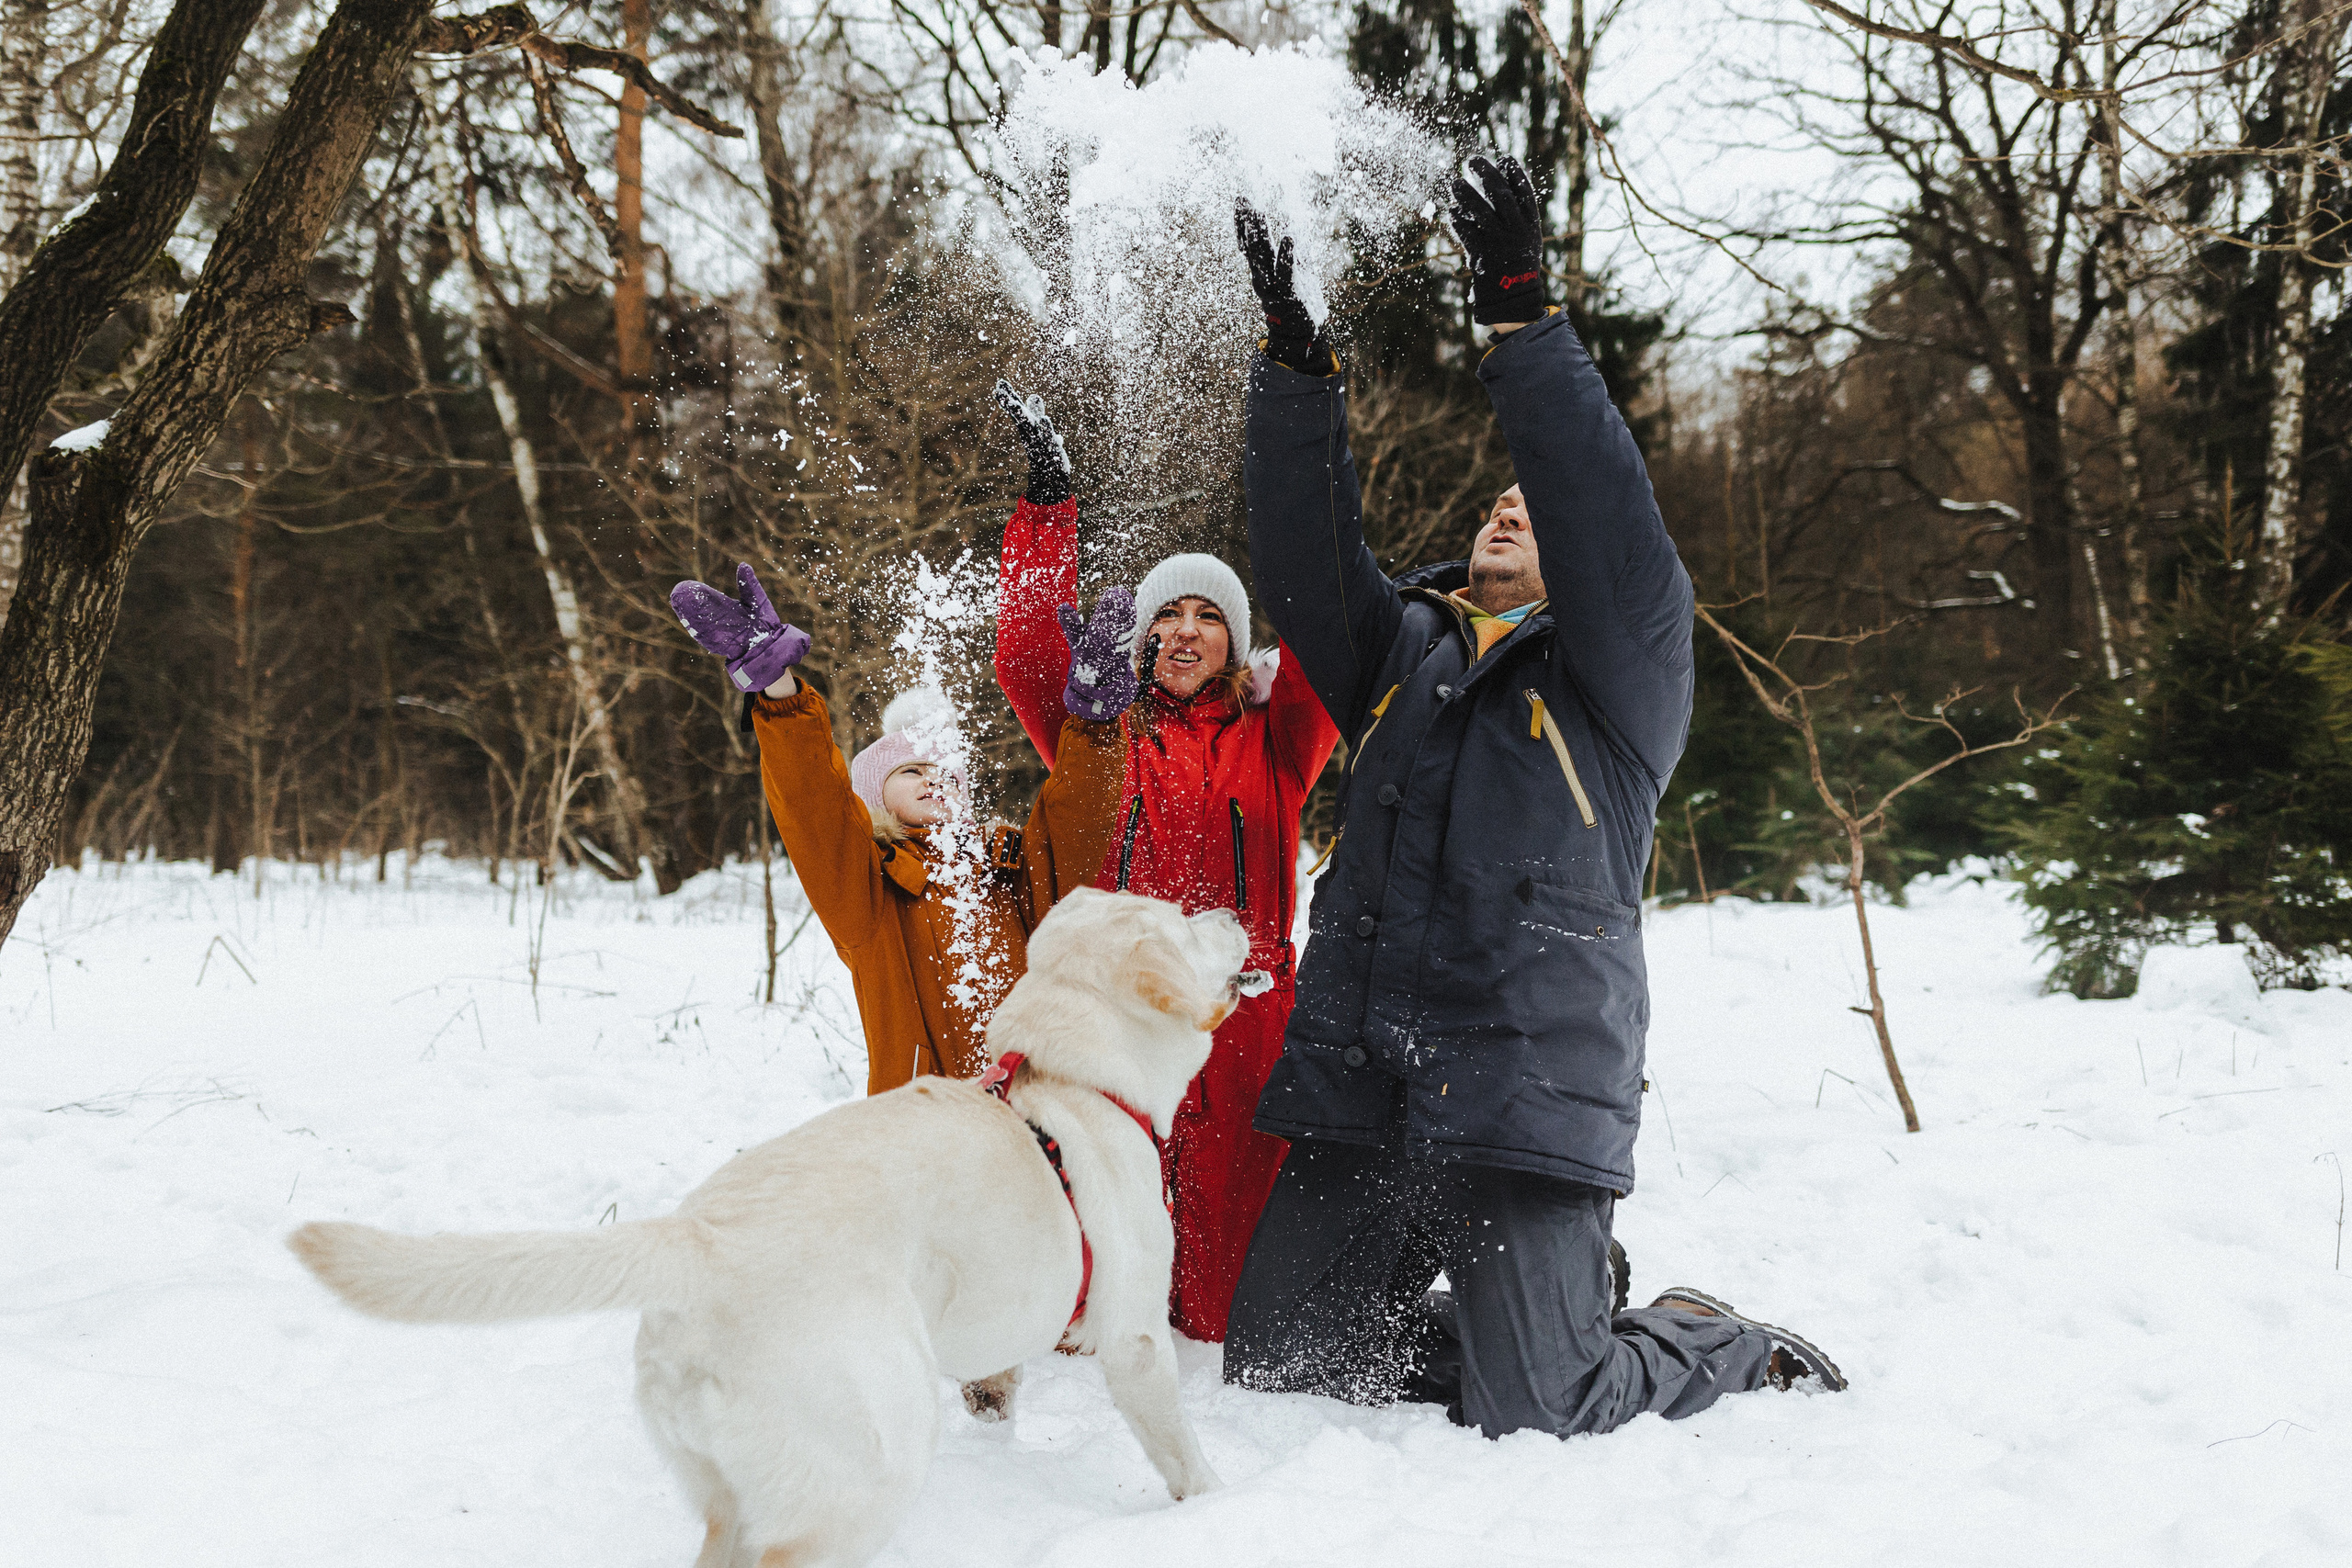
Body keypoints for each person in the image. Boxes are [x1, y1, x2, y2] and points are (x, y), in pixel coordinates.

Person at [1220, 156, 1847, 1438]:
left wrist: (1522, 314)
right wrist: (1295, 360)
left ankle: (1700, 1332)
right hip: (1373, 1085)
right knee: (1282, 1367)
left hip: (1522, 1091)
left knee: (1543, 1407)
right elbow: (1303, 553)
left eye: (1532, 505)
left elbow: (1600, 501)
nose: (1513, 502)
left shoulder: (1625, 675)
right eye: (1499, 499)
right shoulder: (1398, 655)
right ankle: (1547, 1305)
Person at [991, 381, 1341, 1343]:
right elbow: (1023, 650)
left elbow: (1332, 632)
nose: (1184, 628)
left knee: (1227, 1310)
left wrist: (1315, 474)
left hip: (1242, 1017)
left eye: (1209, 615)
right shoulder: (1098, 730)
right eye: (1167, 613)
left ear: (1234, 639)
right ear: (1142, 635)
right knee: (1099, 1283)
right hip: (1116, 1016)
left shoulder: (1279, 739)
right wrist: (1047, 507)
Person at [670, 563, 1126, 1094]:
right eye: (911, 771)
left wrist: (1094, 727)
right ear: (875, 794)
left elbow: (1074, 824)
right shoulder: (867, 889)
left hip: (1036, 1109)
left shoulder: (1009, 867)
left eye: (943, 774)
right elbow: (815, 807)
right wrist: (778, 686)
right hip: (921, 1125)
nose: (932, 782)